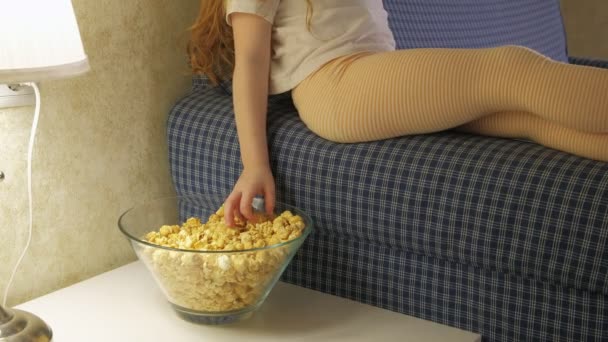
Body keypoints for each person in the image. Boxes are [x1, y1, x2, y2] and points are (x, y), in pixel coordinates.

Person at [187, 0, 608, 227]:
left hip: (368, 76)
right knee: (511, 69)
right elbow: (252, 59)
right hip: (336, 86)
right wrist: (254, 165)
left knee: (525, 120)